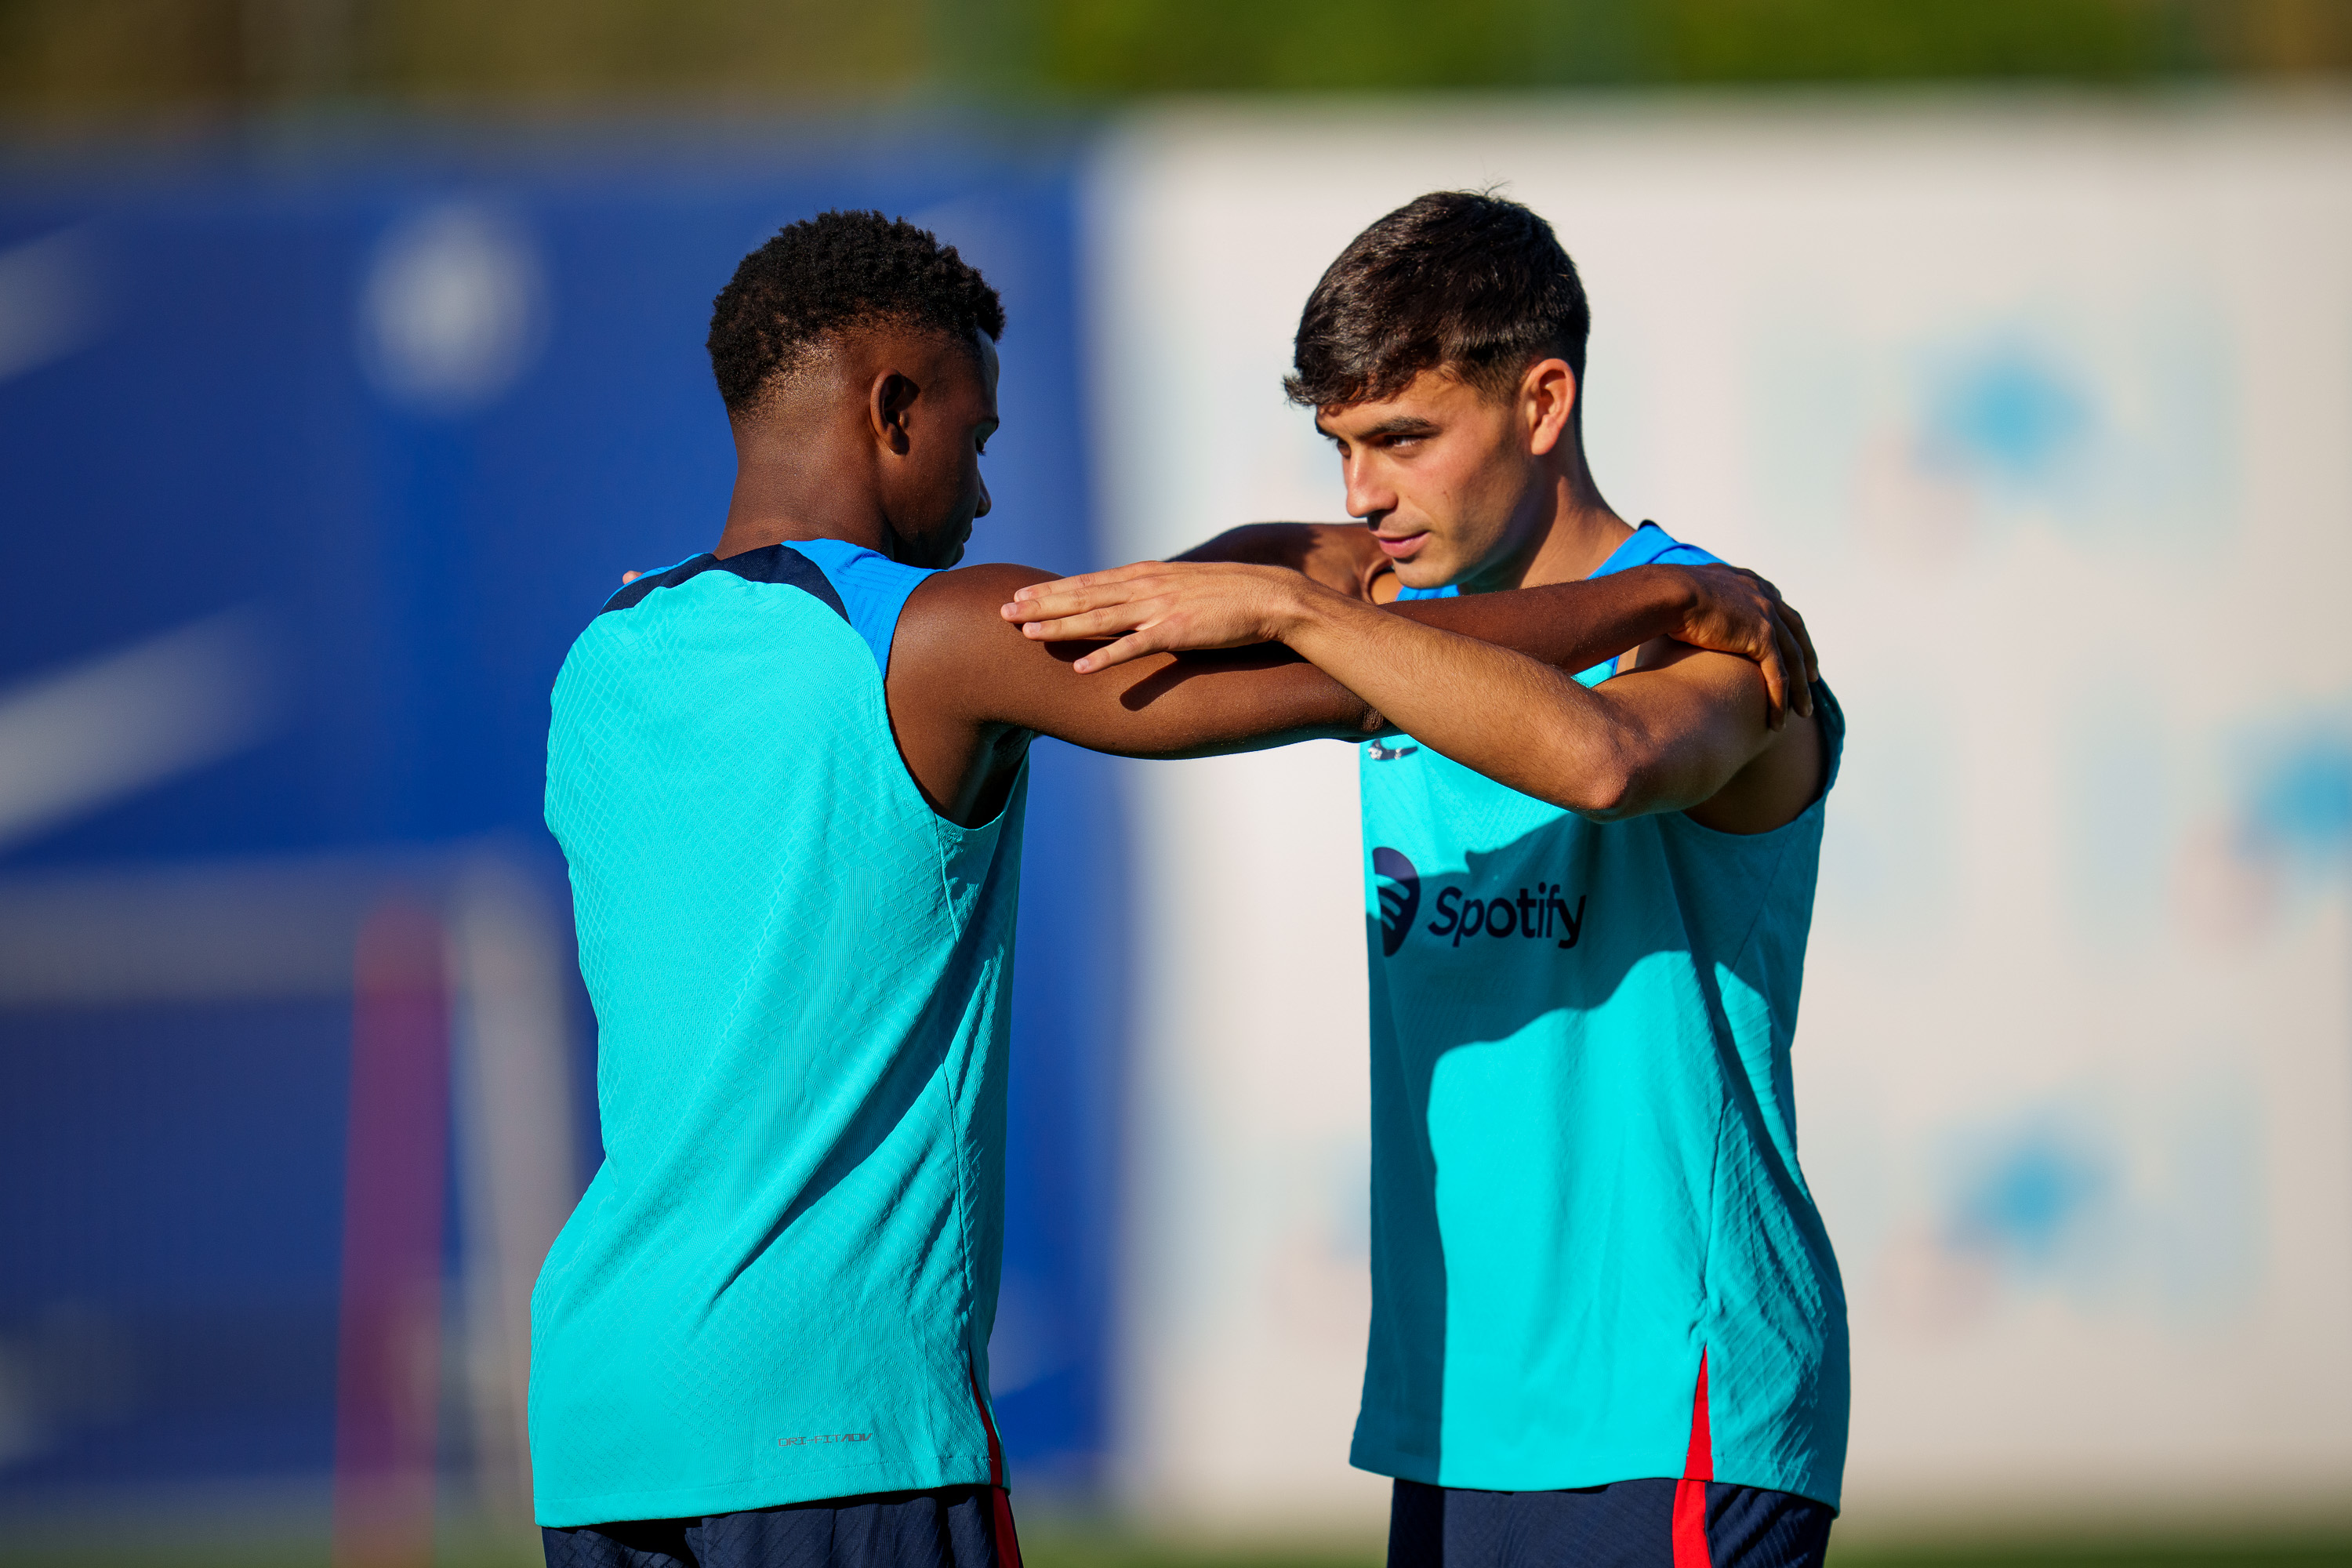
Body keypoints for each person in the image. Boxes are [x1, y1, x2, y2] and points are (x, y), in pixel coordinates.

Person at [532, 208, 1813, 1568]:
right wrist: (1659, 600)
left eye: (1397, 442)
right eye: (976, 441)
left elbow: (1296, 600)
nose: (980, 501)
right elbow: (1326, 665)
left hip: (606, 1415)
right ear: (895, 409)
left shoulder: (613, 647)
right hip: (830, 1421)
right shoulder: (944, 635)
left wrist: (1297, 587)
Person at [1005, 191, 1847, 1568]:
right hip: (1455, 1411)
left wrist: (1294, 612)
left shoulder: (1725, 633)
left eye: (1403, 439)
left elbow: (1608, 762)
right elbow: (1119, 637)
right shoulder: (1382, 598)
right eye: (1338, 445)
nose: (1360, 496)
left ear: (1543, 401)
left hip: (1676, 1397)